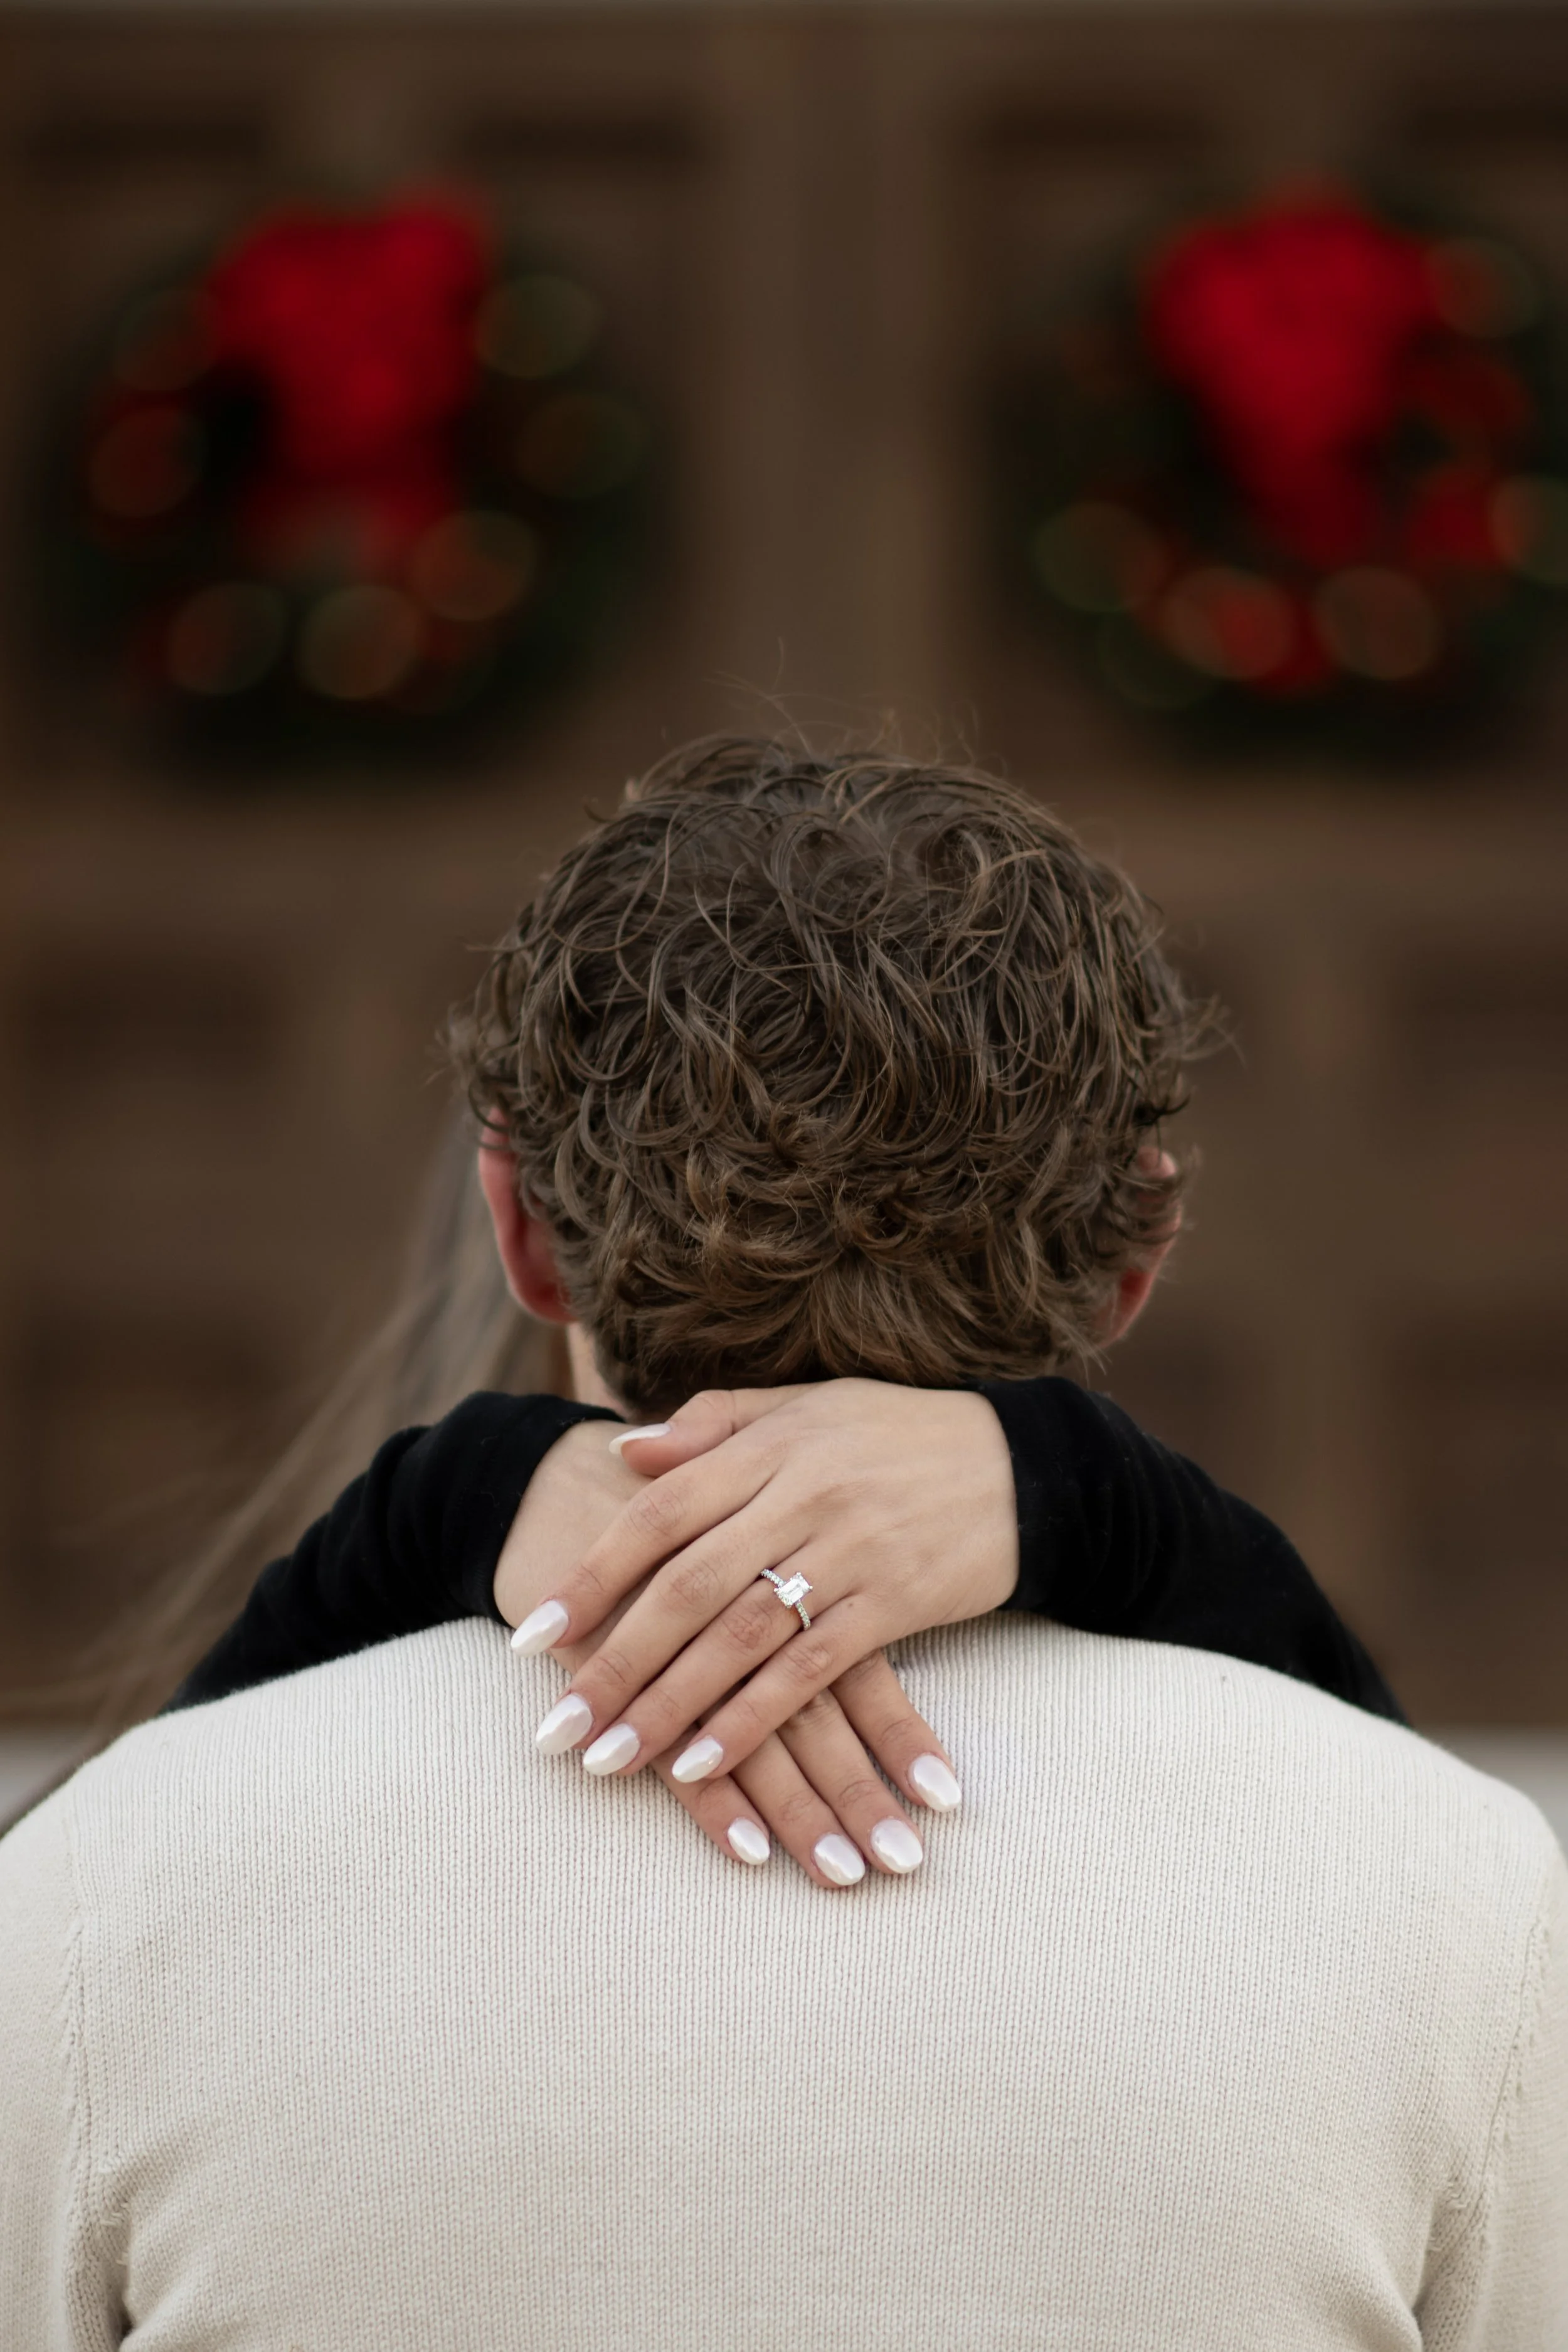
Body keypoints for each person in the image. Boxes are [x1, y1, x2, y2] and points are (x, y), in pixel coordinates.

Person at [1, 738, 1562, 2345]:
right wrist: (1082, 1490)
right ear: (1138, 1248)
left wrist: (446, 1499)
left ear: (517, 1223)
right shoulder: (1463, 1901)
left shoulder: (91, 1906)